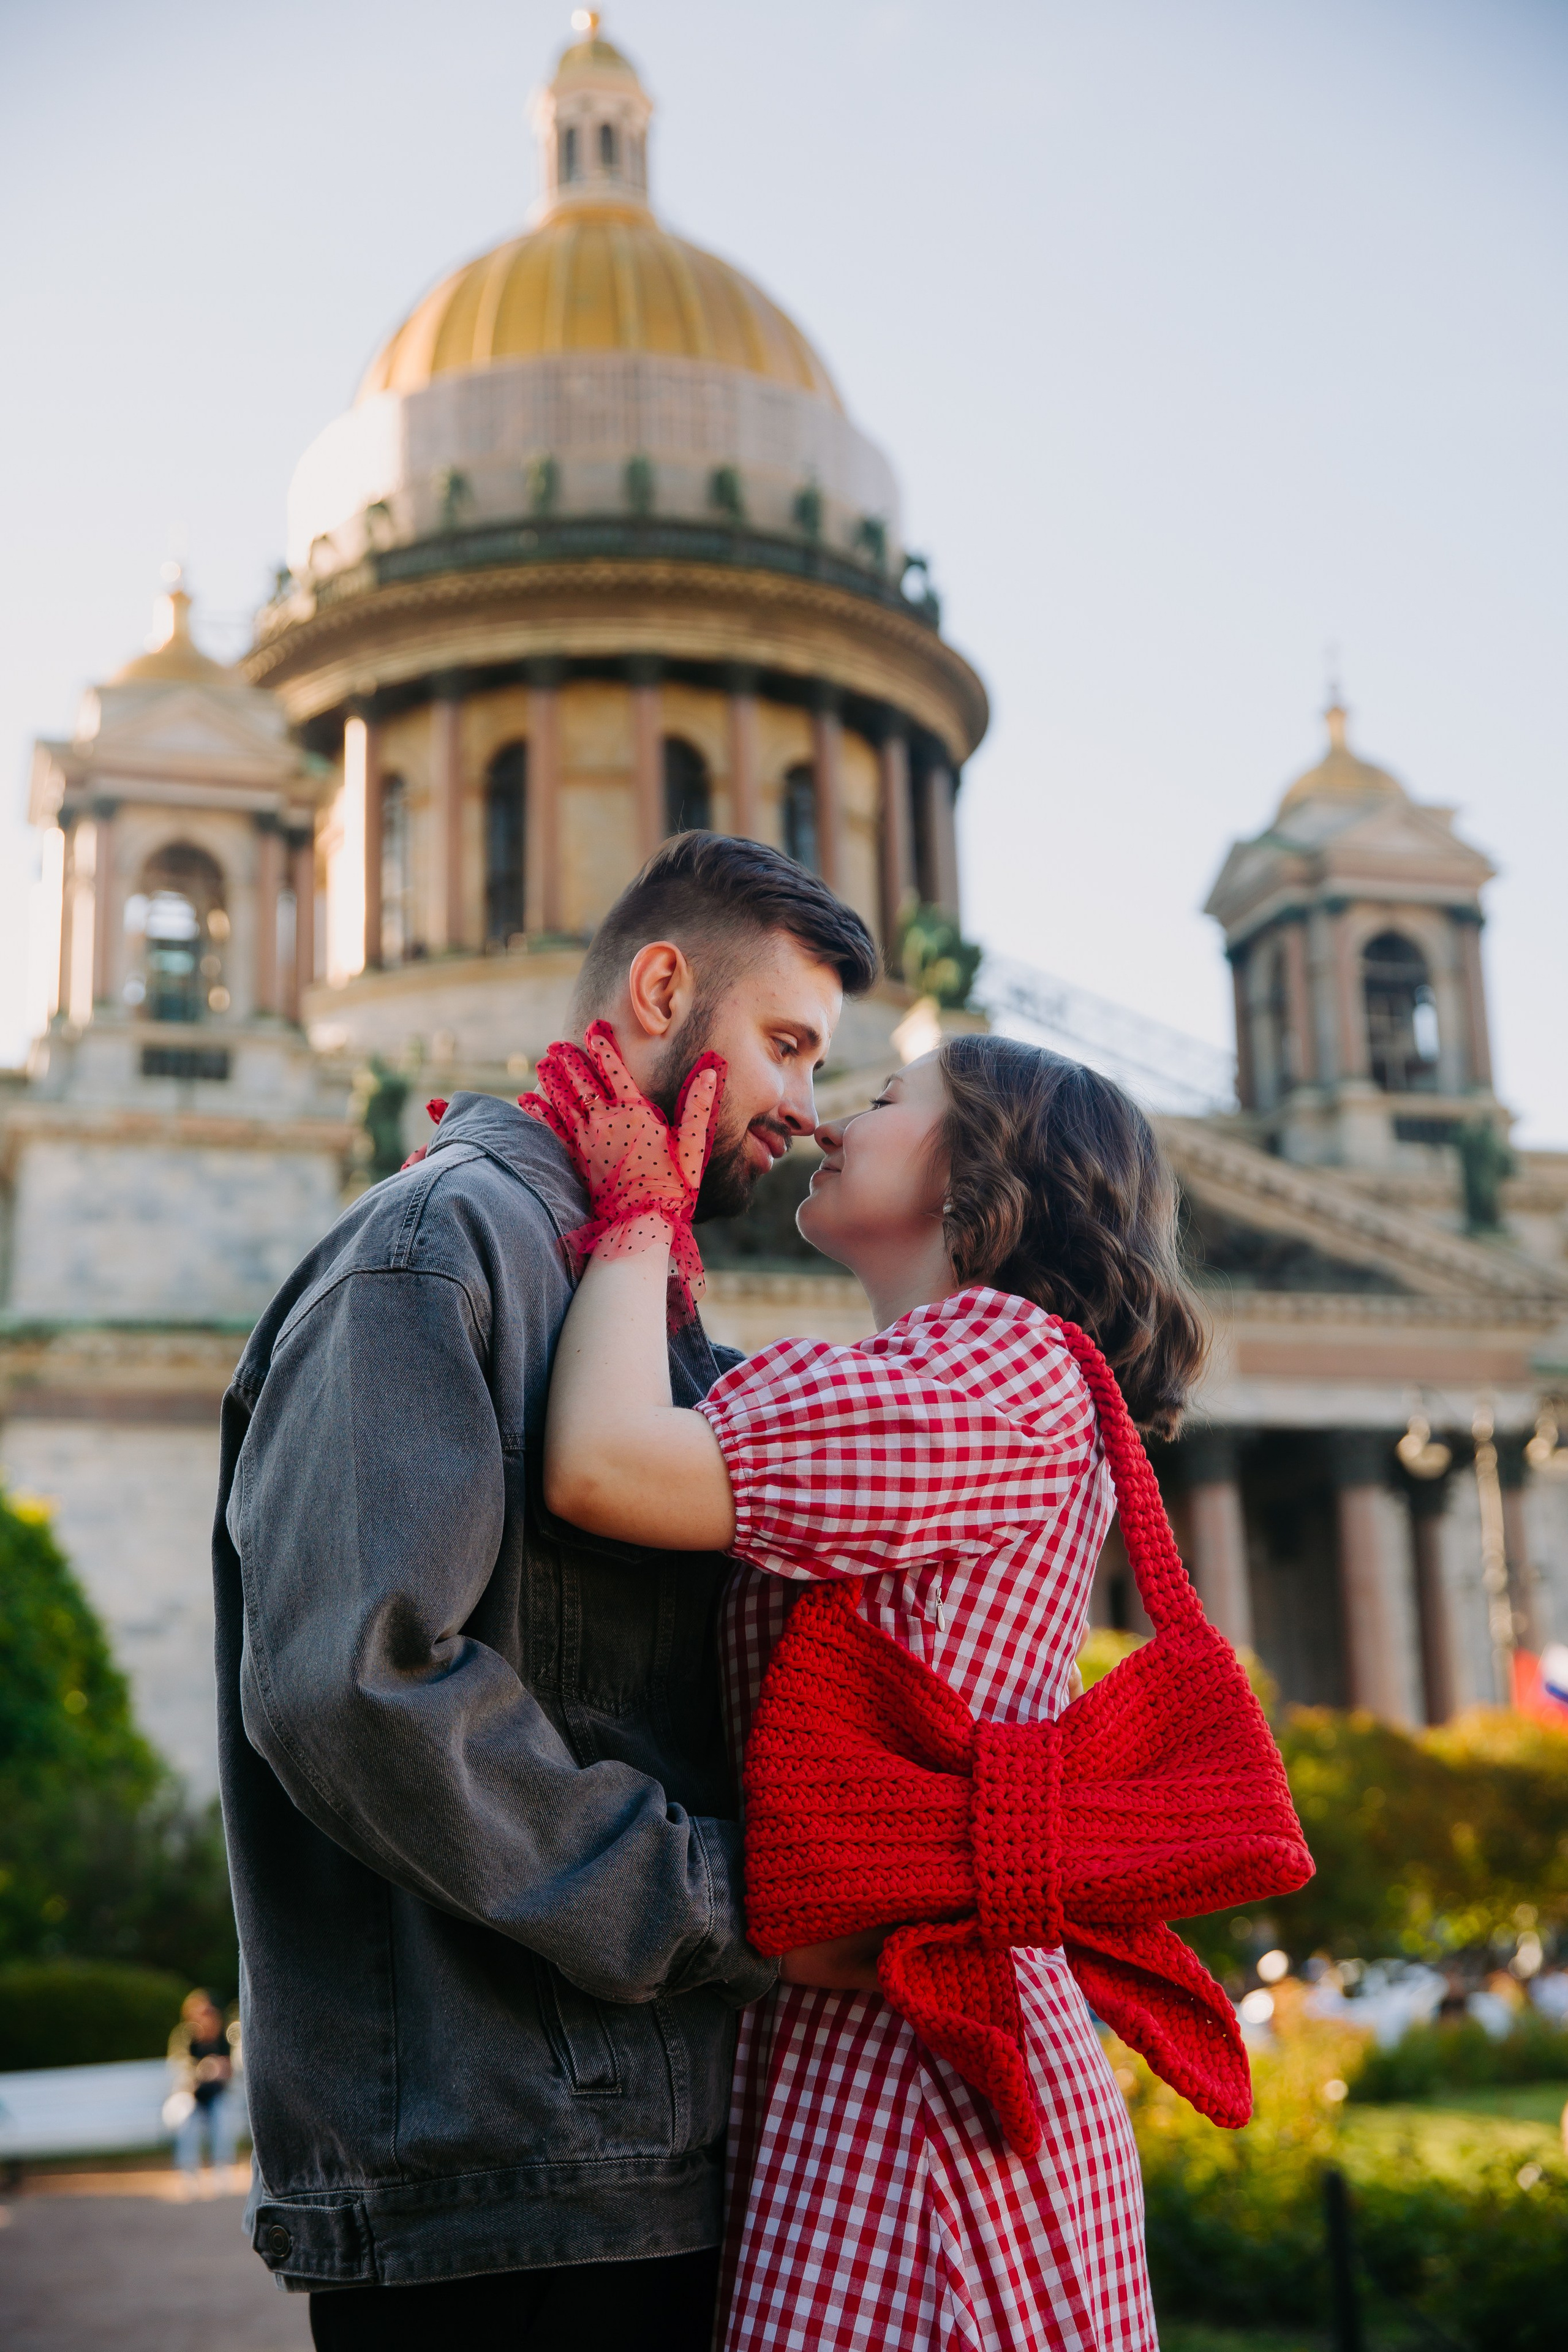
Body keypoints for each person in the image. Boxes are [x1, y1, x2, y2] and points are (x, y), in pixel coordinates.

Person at [211, 832, 878, 2346]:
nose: (807, 1106)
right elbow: (354, 1685)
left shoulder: (609, 1286)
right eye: (783, 1044)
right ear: (660, 986)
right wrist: (725, 1897)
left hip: (602, 2157)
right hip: (506, 2191)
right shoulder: (429, 1244)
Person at [540, 1031, 1213, 2351]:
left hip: (914, 2085)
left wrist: (634, 1212)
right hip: (875, 2037)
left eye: (889, 1097)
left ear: (982, 1169)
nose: (833, 1115)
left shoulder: (993, 1365)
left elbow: (604, 1466)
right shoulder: (929, 1377)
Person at [167, 1988, 238, 2192]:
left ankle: (222, 2171)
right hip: (188, 2095)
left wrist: (221, 2070)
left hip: (216, 2095)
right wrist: (205, 2069)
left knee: (223, 2116)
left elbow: (231, 2070)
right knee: (188, 2119)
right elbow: (180, 2070)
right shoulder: (185, 2037)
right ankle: (190, 2174)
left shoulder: (222, 2039)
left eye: (209, 2012)